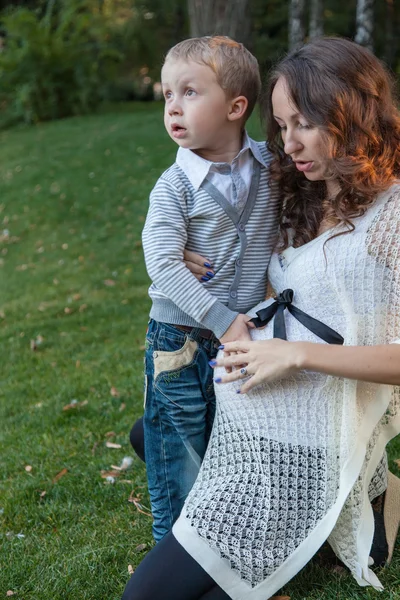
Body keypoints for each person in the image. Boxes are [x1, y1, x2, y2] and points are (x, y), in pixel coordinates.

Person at [121, 37, 400, 600]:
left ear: (352, 116)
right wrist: (191, 247)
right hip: (249, 398)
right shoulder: (294, 187)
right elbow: (223, 223)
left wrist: (294, 353)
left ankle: (362, 494)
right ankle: (365, 492)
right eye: (281, 125)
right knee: (151, 432)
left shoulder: (391, 218)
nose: (289, 143)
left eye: (304, 124)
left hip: (304, 426)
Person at [134, 35, 281, 543]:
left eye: (189, 92)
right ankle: (173, 557)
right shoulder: (173, 188)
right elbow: (163, 266)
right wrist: (225, 319)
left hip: (239, 339)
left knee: (230, 446)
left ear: (236, 107)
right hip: (181, 339)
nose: (173, 106)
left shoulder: (271, 168)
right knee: (180, 453)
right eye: (167, 95)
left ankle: (228, 548)